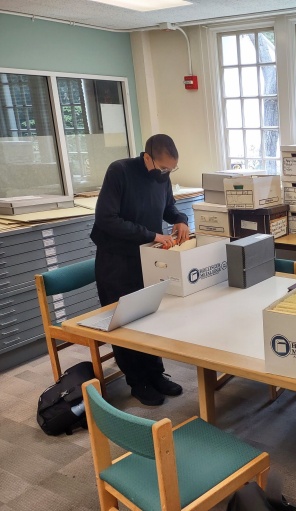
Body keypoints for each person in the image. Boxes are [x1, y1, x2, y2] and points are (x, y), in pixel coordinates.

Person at [90, 134, 190, 406]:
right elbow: (106, 219)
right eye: (163, 168)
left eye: (171, 169)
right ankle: (137, 381)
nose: (165, 173)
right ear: (147, 157)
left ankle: (155, 374)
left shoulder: (162, 177)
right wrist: (153, 235)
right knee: (124, 321)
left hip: (146, 257)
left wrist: (181, 220)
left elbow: (168, 207)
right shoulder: (120, 171)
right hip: (116, 260)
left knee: (148, 317)